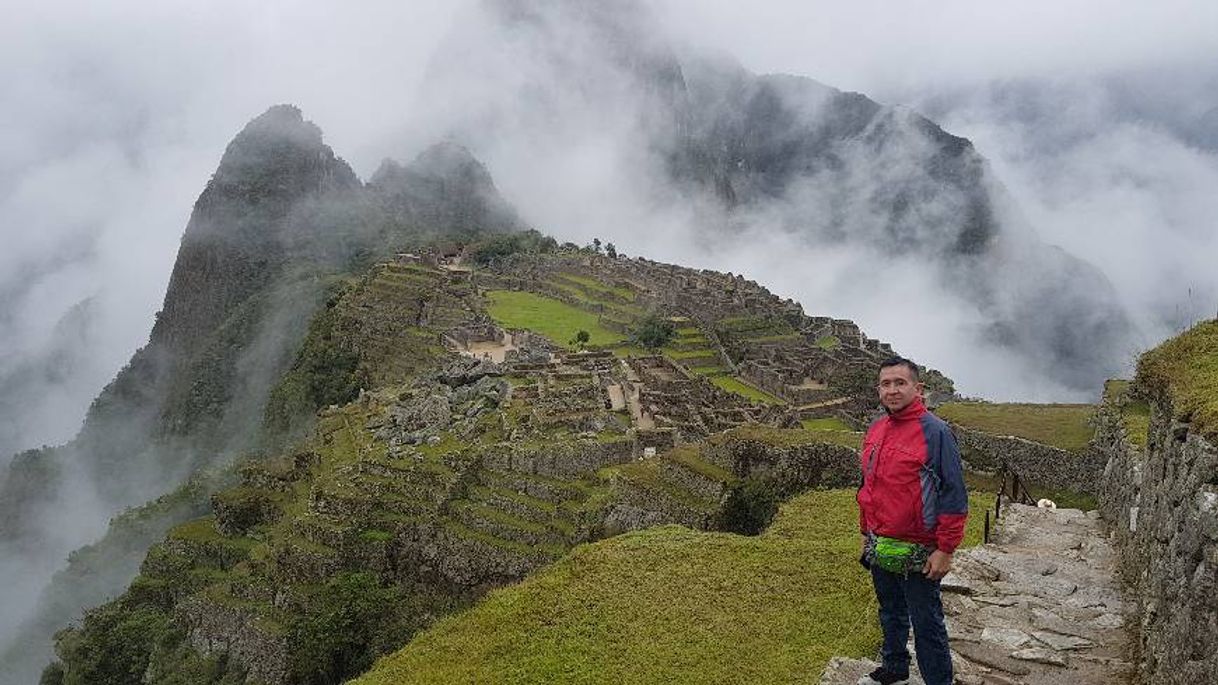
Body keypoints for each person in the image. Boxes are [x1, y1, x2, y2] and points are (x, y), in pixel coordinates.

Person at [855, 357, 967, 685]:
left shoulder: (936, 432)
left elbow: (953, 494)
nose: (892, 390)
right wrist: (866, 532)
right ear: (879, 389)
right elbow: (868, 486)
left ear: (917, 389)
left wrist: (945, 549)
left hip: (920, 547)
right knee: (889, 610)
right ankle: (894, 668)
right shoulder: (876, 429)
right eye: (886, 384)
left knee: (926, 622)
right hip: (881, 540)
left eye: (899, 383)